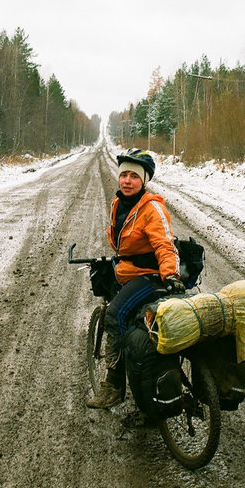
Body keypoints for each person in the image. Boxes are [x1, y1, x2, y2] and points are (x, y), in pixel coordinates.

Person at [86, 148, 185, 409]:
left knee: (114, 314)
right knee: (125, 315)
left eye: (134, 176)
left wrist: (171, 275)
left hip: (151, 277)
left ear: (145, 180)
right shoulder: (119, 204)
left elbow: (166, 245)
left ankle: (114, 385)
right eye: (124, 175)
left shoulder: (151, 208)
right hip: (129, 272)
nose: (127, 181)